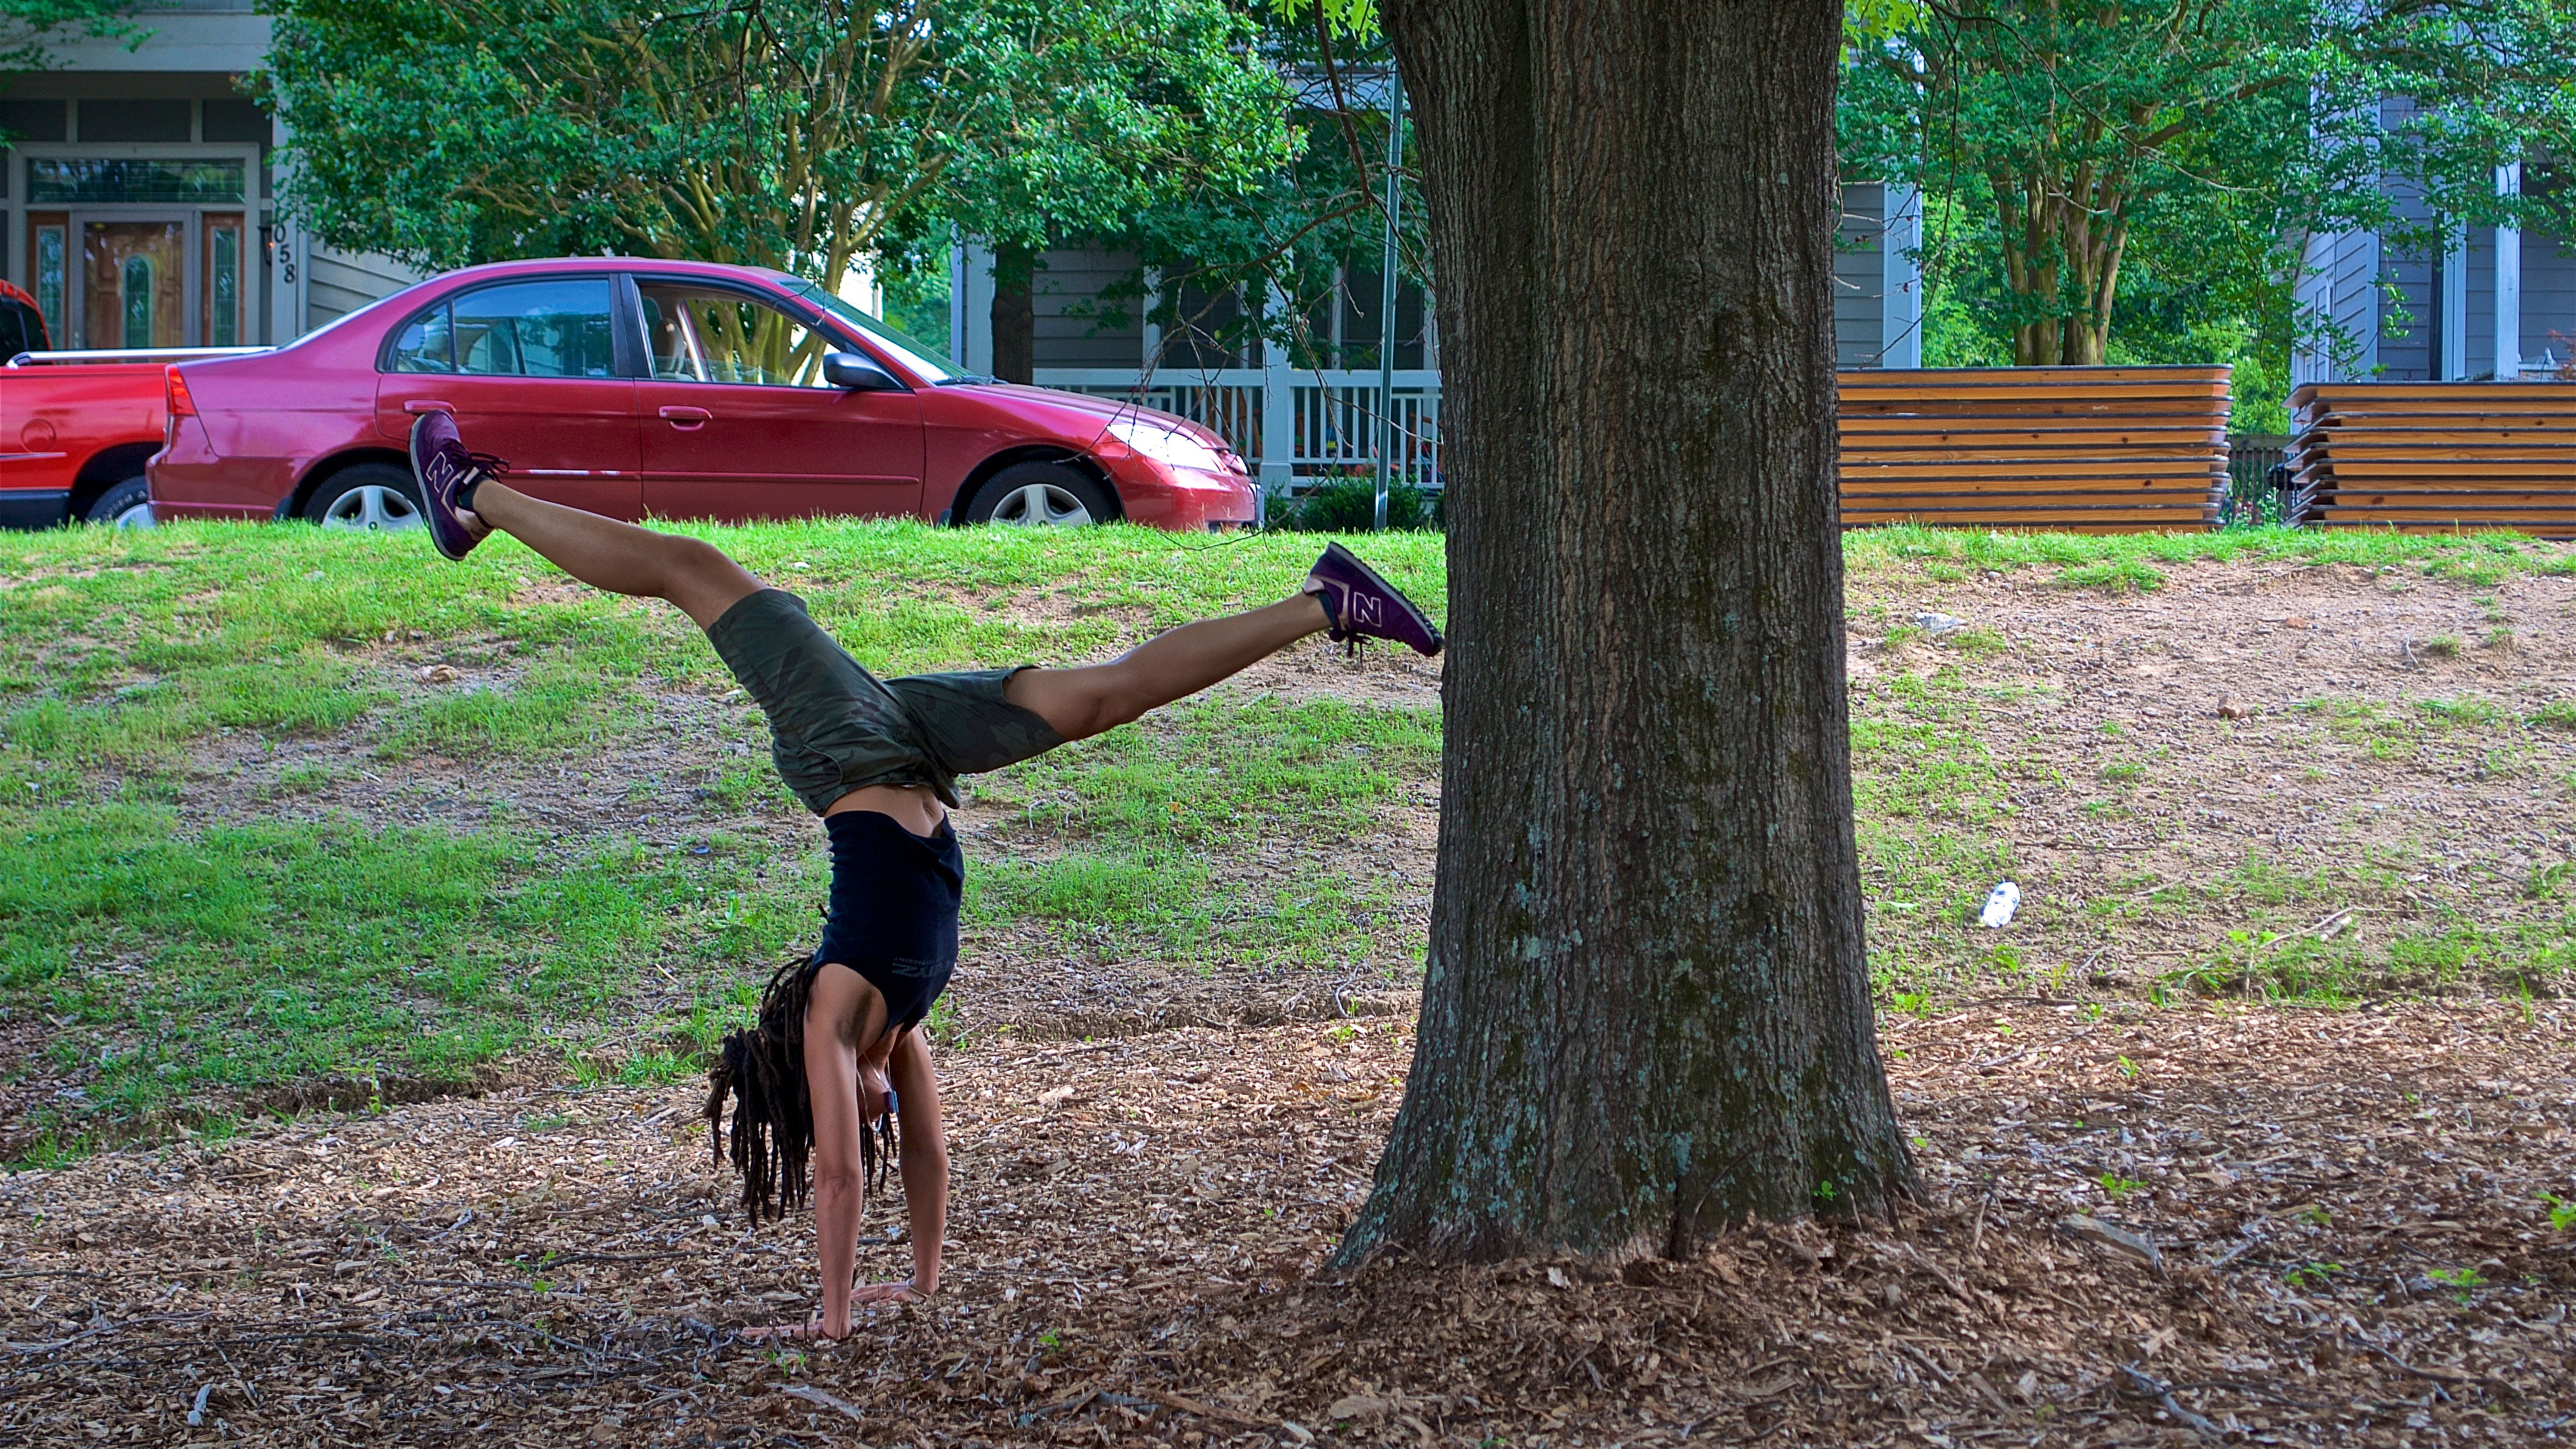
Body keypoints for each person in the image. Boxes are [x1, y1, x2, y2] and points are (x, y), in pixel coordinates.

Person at [405, 412, 1441, 1341]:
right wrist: (926, 1279)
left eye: (852, 1113)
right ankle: (1325, 602)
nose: (876, 1118)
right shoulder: (900, 1032)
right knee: (1103, 700)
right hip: (913, 749)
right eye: (873, 1111)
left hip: (844, 751)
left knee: (691, 568)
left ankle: (470, 494)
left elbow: (842, 1175)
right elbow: (929, 1160)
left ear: (813, 1098)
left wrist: (836, 1312)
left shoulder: (829, 1012)